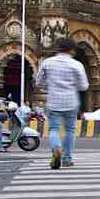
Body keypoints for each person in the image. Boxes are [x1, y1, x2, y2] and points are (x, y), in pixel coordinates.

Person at [35, 38, 88, 170]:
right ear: (72, 50)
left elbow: (38, 82)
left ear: (57, 48)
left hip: (53, 101)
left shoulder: (47, 63)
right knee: (70, 130)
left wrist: (50, 86)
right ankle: (67, 158)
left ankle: (56, 148)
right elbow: (83, 86)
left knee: (54, 129)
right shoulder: (76, 65)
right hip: (71, 102)